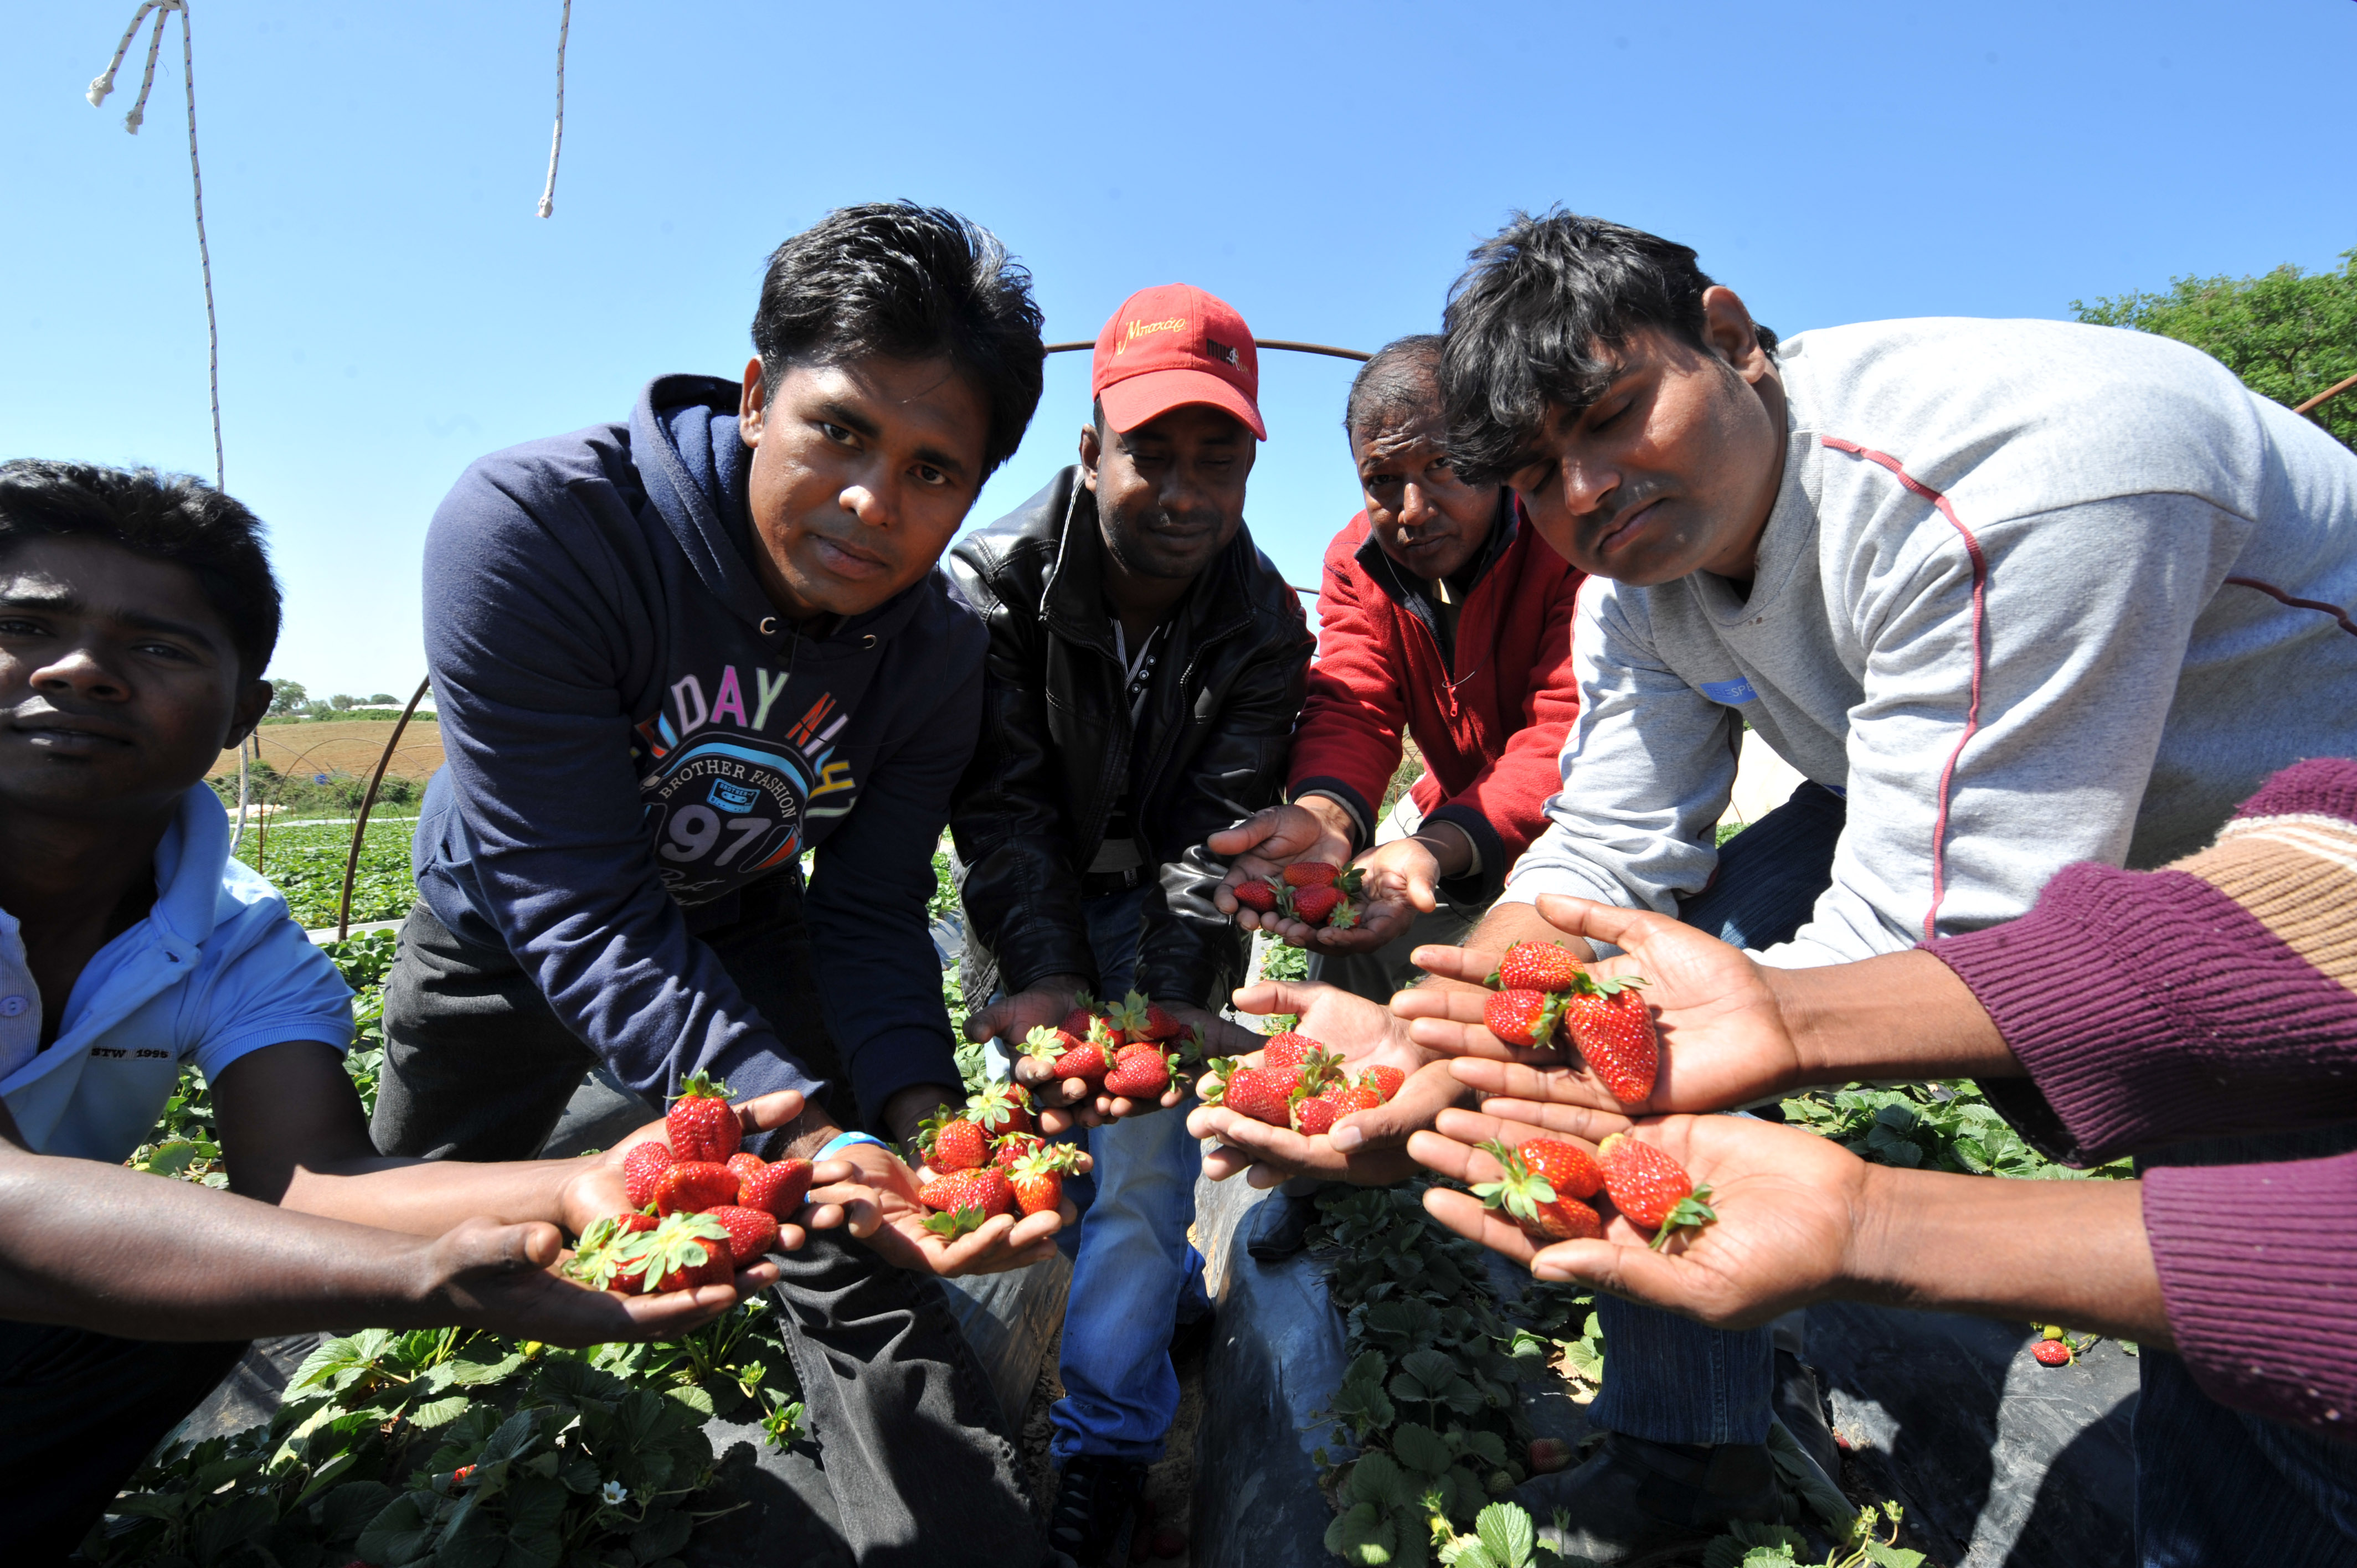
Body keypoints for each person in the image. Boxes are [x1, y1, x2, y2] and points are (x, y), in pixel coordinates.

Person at [1206, 208, 2357, 1563]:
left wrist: (1513, 1064)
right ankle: (1687, 1449)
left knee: (2247, 1249)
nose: (1580, 491)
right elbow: (1607, 844)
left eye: (1614, 413)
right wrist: (1454, 1018)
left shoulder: (2016, 479)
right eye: (1535, 470)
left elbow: (1945, 937)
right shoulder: (1626, 571)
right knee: (1668, 967)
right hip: (1988, 786)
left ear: (1734, 337)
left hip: (2301, 846)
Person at [375, 203, 1074, 1564]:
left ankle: (957, 1532)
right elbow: (575, 906)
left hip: (741, 919)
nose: (878, 502)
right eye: (843, 432)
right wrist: (796, 1127)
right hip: (501, 942)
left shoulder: (933, 651)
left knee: (856, 1249)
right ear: (758, 397)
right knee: (440, 1235)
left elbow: (870, 911)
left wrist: (919, 1125)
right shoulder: (544, 526)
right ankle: (425, 1484)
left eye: (938, 470)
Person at [0, 461, 783, 1562]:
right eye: (27, 625)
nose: (81, 670)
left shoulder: (234, 932)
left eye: (158, 646)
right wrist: (422, 1278)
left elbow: (307, 1180)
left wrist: (575, 1184)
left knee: (211, 1284)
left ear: (244, 714)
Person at [1406, 752, 2357, 1566]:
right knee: (2228, 1437)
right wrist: (1803, 1051)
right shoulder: (1635, 598)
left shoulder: (1998, 545)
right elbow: (2325, 880)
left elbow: (1969, 856)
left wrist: (1874, 1203)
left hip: (2150, 831)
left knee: (2293, 1460)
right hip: (2237, 890)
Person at [947, 282, 1314, 1564]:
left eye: (1221, 460)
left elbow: (1217, 830)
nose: (1186, 491)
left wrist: (1163, 1001)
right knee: (1070, 1138)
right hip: (1034, 893)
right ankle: (1157, 1303)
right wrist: (1045, 973)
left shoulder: (1265, 622)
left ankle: (1106, 1444)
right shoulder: (992, 584)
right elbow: (1000, 809)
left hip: (1170, 894)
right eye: (1152, 452)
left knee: (1147, 1149)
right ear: (1091, 449)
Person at [1210, 333, 1584, 1000]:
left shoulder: (1562, 535)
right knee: (1349, 936)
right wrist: (1326, 817)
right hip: (1449, 809)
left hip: (1579, 828)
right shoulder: (1355, 561)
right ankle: (1359, 1093)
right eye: (1381, 480)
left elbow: (1564, 729)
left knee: (1520, 1001)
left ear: (1494, 453)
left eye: (1443, 464)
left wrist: (1440, 844)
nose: (1411, 509)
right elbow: (1354, 704)